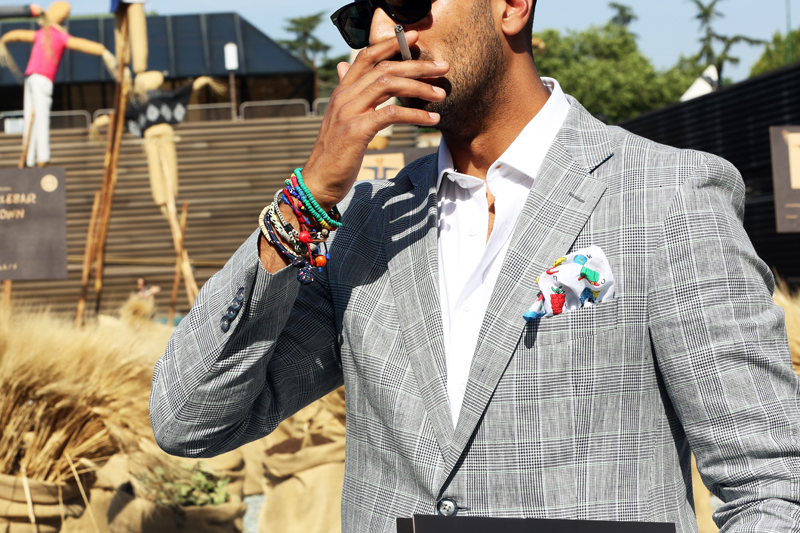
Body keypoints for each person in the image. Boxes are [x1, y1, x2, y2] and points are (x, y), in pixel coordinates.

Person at [150, 1, 800, 531]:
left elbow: (773, 485)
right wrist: (309, 193)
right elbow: (189, 418)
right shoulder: (365, 228)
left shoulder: (666, 198)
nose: (381, 36)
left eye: (407, 4)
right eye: (360, 17)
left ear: (512, 6)